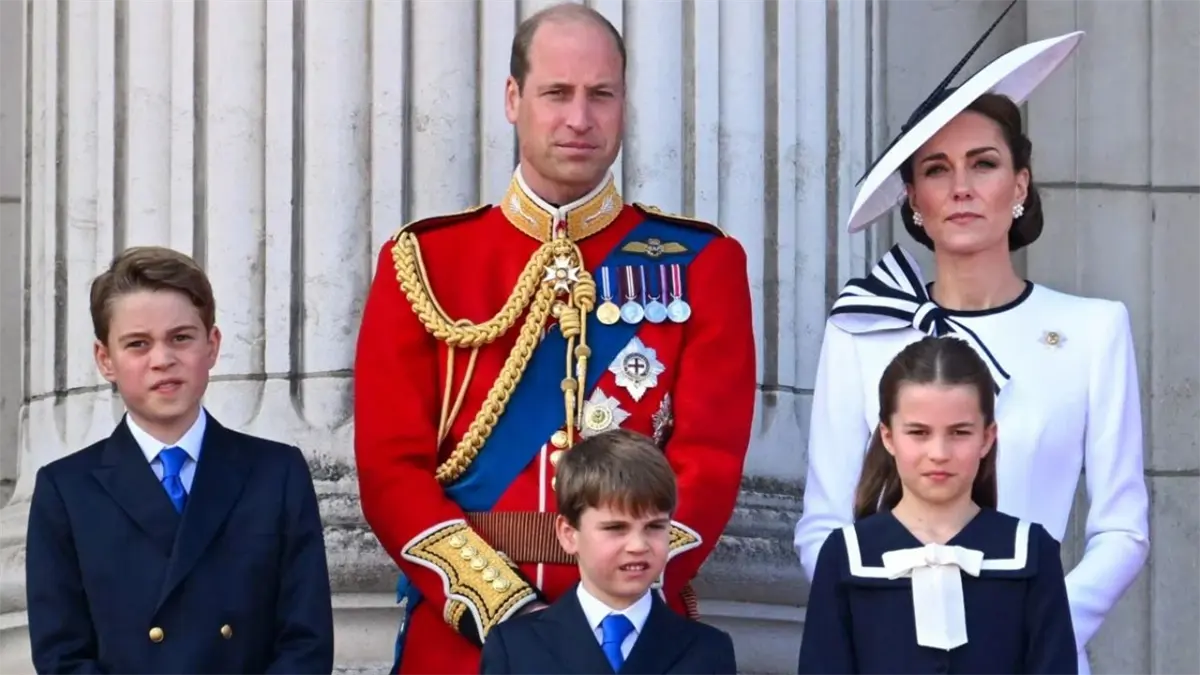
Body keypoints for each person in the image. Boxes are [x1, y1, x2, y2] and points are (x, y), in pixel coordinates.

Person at [353, 4, 756, 675]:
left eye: (601, 95)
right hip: (465, 640)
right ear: (514, 99)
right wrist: (506, 609)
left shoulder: (700, 264)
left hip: (638, 638)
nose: (579, 118)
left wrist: (615, 598)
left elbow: (707, 463)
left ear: (623, 103)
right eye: (556, 93)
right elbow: (391, 470)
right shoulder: (423, 262)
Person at [792, 7, 1148, 675]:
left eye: (982, 164)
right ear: (913, 199)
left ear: (1019, 185)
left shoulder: (1094, 330)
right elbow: (822, 526)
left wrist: (1034, 621)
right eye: (936, 169)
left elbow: (1123, 528)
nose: (960, 187)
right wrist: (884, 621)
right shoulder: (862, 330)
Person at [25, 246, 334, 674]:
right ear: (104, 360)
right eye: (138, 344)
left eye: (181, 337)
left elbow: (306, 641)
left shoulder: (276, 474)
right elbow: (62, 655)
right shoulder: (66, 489)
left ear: (212, 345)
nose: (162, 359)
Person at [797, 336, 1077, 675]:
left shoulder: (1031, 554)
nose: (940, 453)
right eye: (918, 432)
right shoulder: (847, 556)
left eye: (960, 433)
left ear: (987, 437)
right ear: (888, 436)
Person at [480, 429, 738, 675]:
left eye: (654, 526)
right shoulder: (514, 647)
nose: (638, 545)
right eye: (616, 528)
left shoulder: (708, 651)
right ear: (569, 534)